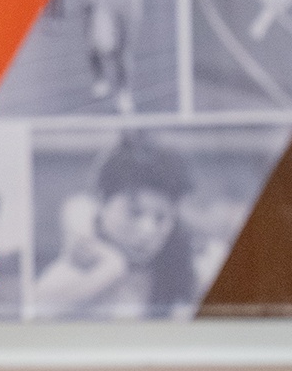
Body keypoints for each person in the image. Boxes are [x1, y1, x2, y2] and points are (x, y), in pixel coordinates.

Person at [34, 134, 204, 319]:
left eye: (161, 218)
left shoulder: (187, 274)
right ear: (101, 201)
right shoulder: (69, 275)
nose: (147, 230)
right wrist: (111, 268)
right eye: (134, 212)